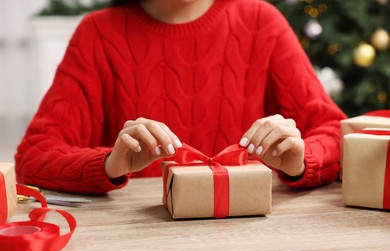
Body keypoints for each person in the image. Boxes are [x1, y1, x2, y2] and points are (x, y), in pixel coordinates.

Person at [15, 0, 347, 194]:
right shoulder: (97, 33)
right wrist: (109, 165)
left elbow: (336, 133)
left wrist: (301, 161)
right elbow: (33, 156)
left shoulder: (261, 21)